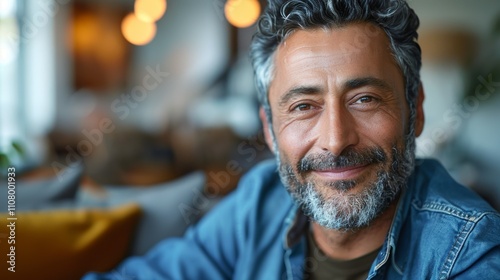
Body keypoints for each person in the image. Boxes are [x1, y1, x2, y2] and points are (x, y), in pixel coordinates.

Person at [84, 0, 500, 279]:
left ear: (416, 109)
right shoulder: (259, 203)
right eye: (303, 106)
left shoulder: (469, 254)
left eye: (365, 99)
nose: (335, 141)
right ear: (269, 128)